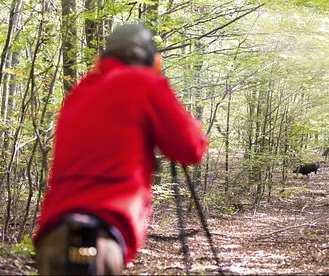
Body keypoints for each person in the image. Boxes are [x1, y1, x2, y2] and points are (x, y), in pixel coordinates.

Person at [33, 24, 208, 275]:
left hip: (53, 231)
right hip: (104, 231)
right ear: (151, 59)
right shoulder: (146, 83)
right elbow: (191, 149)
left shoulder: (81, 91)